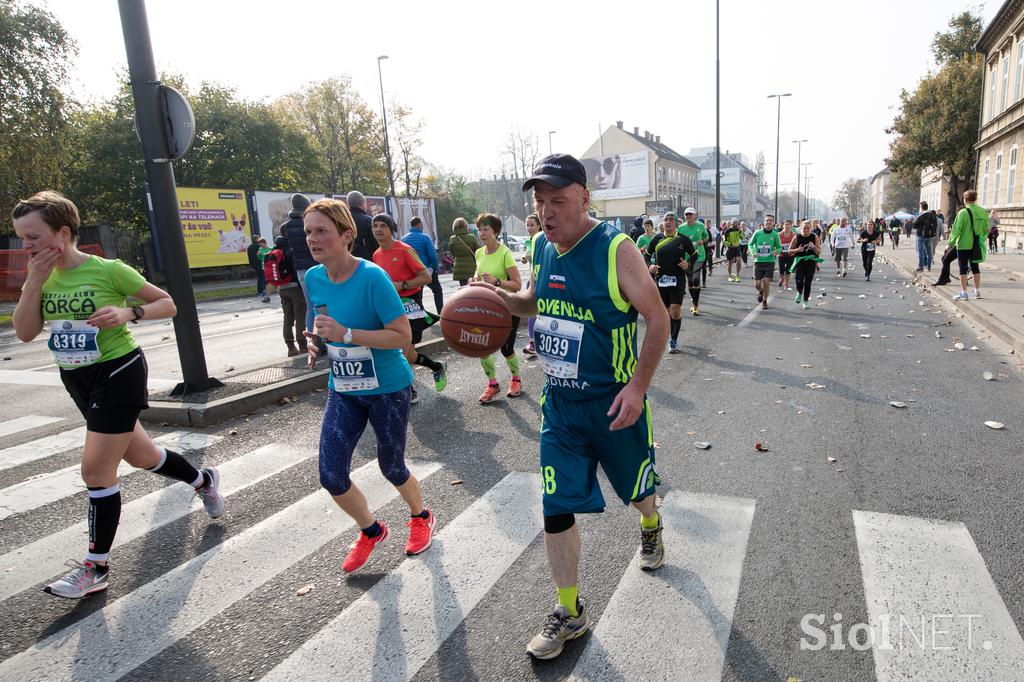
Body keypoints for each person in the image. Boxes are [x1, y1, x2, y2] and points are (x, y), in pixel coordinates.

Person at [11, 191, 224, 598]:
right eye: (22, 238)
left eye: (33, 237)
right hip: (77, 377)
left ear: (63, 232)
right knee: (143, 456)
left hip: (120, 370)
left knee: (95, 471)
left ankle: (96, 568)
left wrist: (129, 313)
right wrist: (34, 282)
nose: (26, 247)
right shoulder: (39, 277)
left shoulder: (109, 270)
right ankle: (203, 479)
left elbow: (168, 304)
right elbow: (24, 333)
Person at [499, 154, 668, 660]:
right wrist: (499, 300)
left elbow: (657, 319)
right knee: (555, 505)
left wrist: (637, 388)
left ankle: (651, 525)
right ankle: (570, 612)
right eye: (540, 203)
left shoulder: (617, 249)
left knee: (638, 492)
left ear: (584, 198)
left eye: (558, 202)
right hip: (562, 406)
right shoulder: (540, 245)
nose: (547, 213)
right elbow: (535, 300)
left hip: (615, 402)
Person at [301, 198, 435, 574]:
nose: (313, 238)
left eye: (322, 231)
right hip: (343, 387)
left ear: (346, 236)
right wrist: (315, 341)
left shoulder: (372, 276)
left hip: (387, 387)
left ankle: (421, 515)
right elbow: (320, 321)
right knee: (331, 474)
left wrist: (347, 334)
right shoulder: (314, 278)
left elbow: (401, 336)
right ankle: (371, 530)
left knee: (392, 466)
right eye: (309, 231)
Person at [370, 213, 447, 403]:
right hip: (389, 307)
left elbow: (426, 277)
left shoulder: (404, 250)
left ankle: (409, 390)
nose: (378, 230)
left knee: (403, 351)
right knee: (409, 354)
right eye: (375, 226)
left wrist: (402, 285)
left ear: (391, 229)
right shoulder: (376, 255)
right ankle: (437, 367)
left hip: (410, 304)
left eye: (383, 226)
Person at [473, 213, 524, 403]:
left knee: (506, 349)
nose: (482, 233)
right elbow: (476, 277)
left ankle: (516, 379)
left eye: (486, 229)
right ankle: (492, 384)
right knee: (483, 347)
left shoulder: (505, 253)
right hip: (486, 309)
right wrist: (473, 281)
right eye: (480, 229)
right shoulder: (478, 253)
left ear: (495, 231)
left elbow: (517, 284)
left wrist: (496, 281)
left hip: (508, 308)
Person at [645, 211, 696, 353]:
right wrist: (651, 266)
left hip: (677, 279)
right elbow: (646, 256)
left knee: (675, 310)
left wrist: (688, 263)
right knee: (666, 312)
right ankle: (667, 335)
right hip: (661, 279)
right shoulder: (656, 239)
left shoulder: (682, 239)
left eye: (671, 220)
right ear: (663, 223)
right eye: (666, 219)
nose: (668, 222)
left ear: (675, 223)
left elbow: (694, 254)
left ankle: (673, 340)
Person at [282, 193, 318, 345]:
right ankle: (326, 340)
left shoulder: (286, 226)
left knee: (310, 307)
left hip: (300, 270)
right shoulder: (308, 223)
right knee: (323, 304)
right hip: (315, 266)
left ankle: (314, 341)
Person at [266, 235, 307, 356]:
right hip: (294, 287)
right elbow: (295, 269)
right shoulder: (291, 250)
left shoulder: (274, 251)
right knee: (300, 316)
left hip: (281, 288)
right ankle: (303, 345)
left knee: (287, 318)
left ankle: (290, 347)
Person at [948, 189, 989, 300]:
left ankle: (964, 293)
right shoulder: (983, 212)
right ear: (975, 199)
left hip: (963, 244)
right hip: (976, 245)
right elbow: (986, 230)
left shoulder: (963, 212)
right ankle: (977, 291)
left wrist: (950, 243)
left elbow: (956, 230)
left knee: (963, 268)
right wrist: (981, 239)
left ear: (965, 199)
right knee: (976, 267)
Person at [402, 216, 443, 315]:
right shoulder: (425, 238)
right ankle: (441, 314)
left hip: (412, 272)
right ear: (419, 224)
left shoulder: (403, 239)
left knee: (417, 294)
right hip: (426, 270)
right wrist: (435, 268)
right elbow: (432, 255)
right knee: (437, 290)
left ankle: (419, 316)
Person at [677, 208, 708, 315]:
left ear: (695, 215)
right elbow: (678, 242)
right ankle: (694, 302)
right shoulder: (681, 228)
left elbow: (706, 237)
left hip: (699, 255)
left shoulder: (700, 226)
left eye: (690, 214)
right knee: (690, 282)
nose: (688, 216)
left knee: (695, 279)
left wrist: (702, 241)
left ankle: (695, 304)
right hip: (687, 257)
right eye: (686, 214)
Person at [749, 215, 782, 309]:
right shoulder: (757, 233)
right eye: (767, 220)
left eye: (770, 221)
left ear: (773, 223)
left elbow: (779, 248)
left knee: (767, 282)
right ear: (764, 222)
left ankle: (764, 300)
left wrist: (776, 251)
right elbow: (750, 244)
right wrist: (753, 252)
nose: (768, 222)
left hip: (769, 261)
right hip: (758, 261)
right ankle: (761, 291)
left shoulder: (775, 234)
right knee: (757, 284)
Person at [788, 219, 822, 310]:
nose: (806, 230)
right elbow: (789, 251)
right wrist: (797, 250)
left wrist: (813, 247)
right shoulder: (796, 238)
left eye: (807, 228)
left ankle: (805, 301)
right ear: (801, 228)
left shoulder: (814, 237)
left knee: (808, 282)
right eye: (804, 228)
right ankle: (799, 292)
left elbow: (819, 251)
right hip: (799, 262)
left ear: (810, 228)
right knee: (799, 280)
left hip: (811, 262)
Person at [522, 213, 542, 357]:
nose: (529, 228)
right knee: (530, 310)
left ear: (539, 226)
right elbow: (529, 259)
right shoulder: (529, 241)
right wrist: (525, 259)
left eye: (532, 225)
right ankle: (532, 342)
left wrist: (533, 257)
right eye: (527, 225)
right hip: (532, 277)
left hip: (543, 277)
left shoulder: (544, 239)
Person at [345, 191, 379, 261]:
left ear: (349, 204)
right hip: (367, 263)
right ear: (363, 203)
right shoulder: (368, 221)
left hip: (345, 263)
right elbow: (377, 245)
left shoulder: (342, 221)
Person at [447, 217, 482, 286]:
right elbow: (479, 251)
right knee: (474, 289)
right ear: (466, 226)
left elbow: (452, 253)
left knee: (464, 289)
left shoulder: (452, 239)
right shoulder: (471, 237)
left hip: (459, 269)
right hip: (472, 268)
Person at [915, 202, 938, 272]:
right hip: (929, 235)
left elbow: (915, 225)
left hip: (921, 235)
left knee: (920, 251)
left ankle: (921, 267)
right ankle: (929, 266)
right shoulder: (932, 215)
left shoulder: (921, 215)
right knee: (929, 251)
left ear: (921, 207)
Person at [247, 235, 270, 303]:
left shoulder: (249, 247)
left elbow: (249, 256)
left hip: (254, 264)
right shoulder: (259, 247)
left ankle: (261, 290)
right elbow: (263, 254)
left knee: (260, 277)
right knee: (262, 277)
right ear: (257, 239)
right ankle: (261, 290)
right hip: (261, 263)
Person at [777, 218, 796, 290]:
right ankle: (781, 278)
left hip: (790, 255)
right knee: (781, 269)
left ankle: (786, 284)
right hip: (781, 254)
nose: (787, 226)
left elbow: (796, 244)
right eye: (785, 224)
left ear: (791, 226)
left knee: (788, 270)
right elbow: (776, 244)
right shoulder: (779, 234)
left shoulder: (794, 235)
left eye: (788, 224)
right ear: (783, 226)